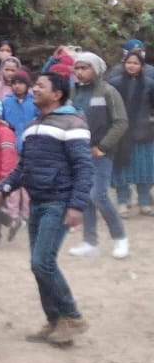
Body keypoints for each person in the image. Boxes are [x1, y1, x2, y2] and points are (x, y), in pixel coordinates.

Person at [0, 73, 93, 345]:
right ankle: (55, 321)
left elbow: (84, 167)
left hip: (58, 202)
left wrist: (76, 206)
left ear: (57, 94)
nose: (34, 89)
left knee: (42, 262)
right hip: (37, 201)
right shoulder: (34, 124)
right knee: (39, 265)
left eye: (40, 86)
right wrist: (3, 189)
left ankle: (72, 316)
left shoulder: (73, 123)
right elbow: (24, 167)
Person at [68, 53, 130, 260]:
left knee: (99, 195)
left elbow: (120, 122)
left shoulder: (108, 91)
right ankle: (89, 243)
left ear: (97, 70)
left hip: (101, 152)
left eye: (85, 67)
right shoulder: (73, 91)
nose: (79, 72)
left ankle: (120, 238)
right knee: (85, 197)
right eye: (77, 68)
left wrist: (103, 147)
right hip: (79, 152)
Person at [108, 50, 154, 215]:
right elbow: (108, 107)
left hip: (144, 133)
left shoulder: (149, 83)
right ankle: (122, 202)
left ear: (141, 66)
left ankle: (144, 202)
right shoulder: (114, 83)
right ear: (123, 64)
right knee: (121, 168)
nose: (132, 66)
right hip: (121, 133)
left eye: (136, 63)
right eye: (129, 63)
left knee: (144, 168)